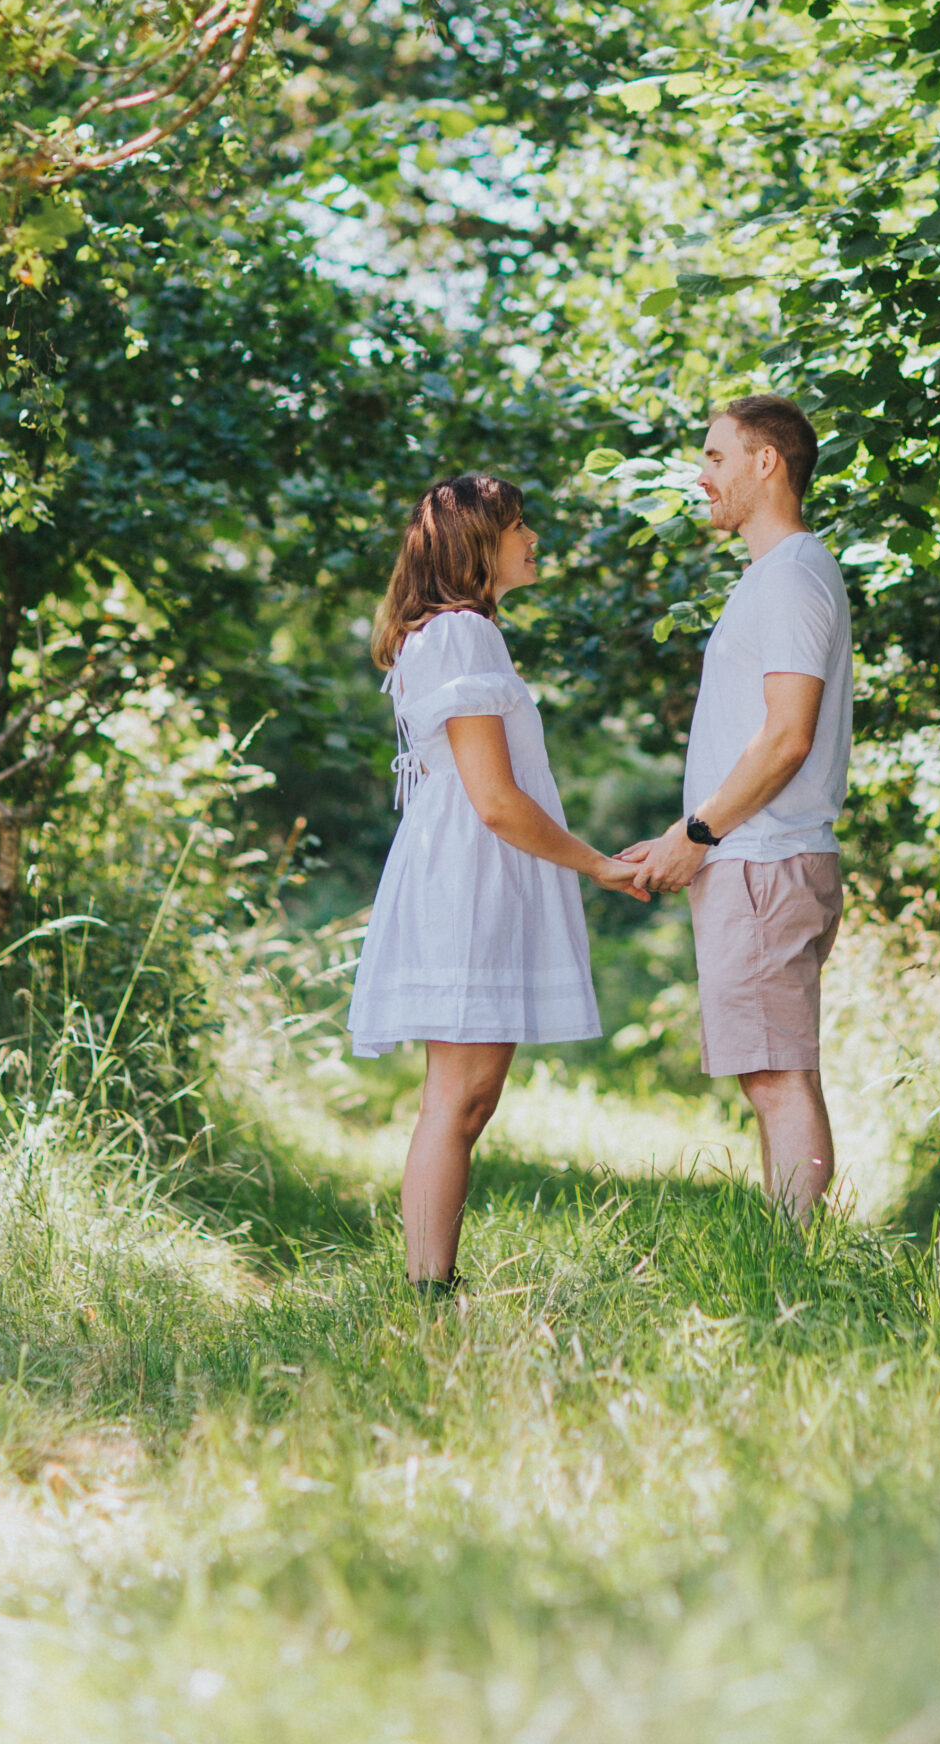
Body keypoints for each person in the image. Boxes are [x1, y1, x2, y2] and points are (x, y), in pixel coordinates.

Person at [349, 472, 644, 1295]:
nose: (532, 538)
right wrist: (598, 865)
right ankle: (426, 1289)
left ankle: (429, 1281)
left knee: (469, 1093)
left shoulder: (458, 635)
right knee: (461, 1092)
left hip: (470, 868)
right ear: (475, 544)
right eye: (518, 525)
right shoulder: (461, 635)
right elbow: (495, 800)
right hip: (469, 871)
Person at [625, 398, 852, 1222]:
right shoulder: (777, 576)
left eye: (716, 457)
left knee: (777, 1076)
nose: (701, 476)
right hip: (757, 856)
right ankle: (792, 1262)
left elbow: (786, 737)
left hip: (762, 860)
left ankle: (793, 1274)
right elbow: (748, 740)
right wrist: (679, 834)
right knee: (775, 1071)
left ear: (767, 464)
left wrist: (698, 834)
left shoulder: (789, 576)